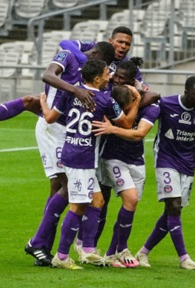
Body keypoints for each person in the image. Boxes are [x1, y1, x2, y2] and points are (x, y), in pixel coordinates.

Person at [0, 41, 116, 267]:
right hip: (54, 129)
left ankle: (46, 246)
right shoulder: (70, 55)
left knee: (63, 189)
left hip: (68, 129)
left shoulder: (97, 72)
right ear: (97, 54)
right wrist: (75, 89)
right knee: (67, 188)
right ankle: (44, 244)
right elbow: (50, 72)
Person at [40, 59, 140, 269]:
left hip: (71, 153)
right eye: (106, 73)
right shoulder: (104, 100)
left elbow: (49, 117)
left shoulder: (70, 93)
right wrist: (137, 99)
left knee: (97, 202)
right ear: (96, 79)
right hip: (81, 159)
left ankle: (87, 250)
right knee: (77, 207)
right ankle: (62, 256)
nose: (110, 76)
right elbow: (127, 123)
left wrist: (42, 100)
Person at [133, 76, 195, 270]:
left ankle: (143, 253)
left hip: (186, 165)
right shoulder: (167, 104)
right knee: (174, 205)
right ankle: (184, 258)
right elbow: (144, 107)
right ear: (186, 92)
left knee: (172, 211)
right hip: (165, 160)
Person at [59, 26, 150, 91]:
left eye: (127, 44)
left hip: (107, 102)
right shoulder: (98, 48)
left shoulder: (128, 65)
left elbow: (141, 84)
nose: (123, 46)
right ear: (111, 41)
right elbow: (65, 43)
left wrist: (143, 86)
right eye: (120, 42)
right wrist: (84, 61)